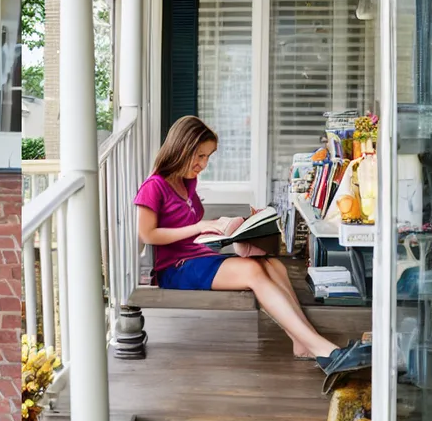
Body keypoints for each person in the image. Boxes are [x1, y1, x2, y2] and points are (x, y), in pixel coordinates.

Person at [134, 117, 368, 376]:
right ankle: (326, 351)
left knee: (273, 265)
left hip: (198, 255)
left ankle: (302, 343)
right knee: (252, 272)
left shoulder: (188, 182)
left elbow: (192, 229)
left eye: (208, 157)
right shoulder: (153, 186)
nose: (203, 164)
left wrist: (242, 227)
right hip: (175, 268)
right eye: (199, 156)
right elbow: (147, 234)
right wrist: (200, 226)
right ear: (181, 148)